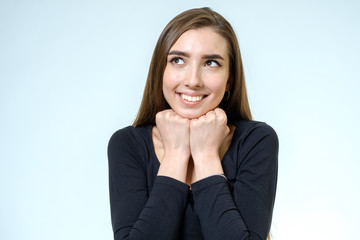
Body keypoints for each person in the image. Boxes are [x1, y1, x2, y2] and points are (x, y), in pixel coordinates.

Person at [108, 7, 278, 240]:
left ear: (230, 80)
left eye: (211, 63)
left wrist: (205, 154)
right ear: (160, 71)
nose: (193, 80)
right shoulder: (128, 144)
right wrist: (177, 154)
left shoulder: (256, 141)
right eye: (178, 60)